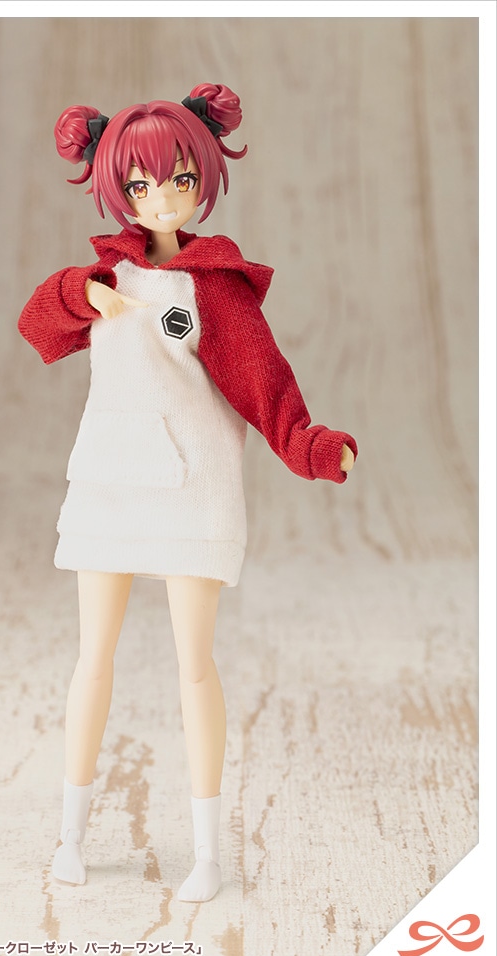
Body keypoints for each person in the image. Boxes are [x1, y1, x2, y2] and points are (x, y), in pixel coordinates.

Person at [18, 83, 357, 902]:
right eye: (139, 184)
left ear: (203, 178)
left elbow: (262, 383)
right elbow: (37, 325)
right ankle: (70, 835)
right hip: (109, 481)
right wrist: (78, 292)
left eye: (178, 179)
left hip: (192, 487)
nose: (161, 197)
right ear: (117, 189)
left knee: (193, 667)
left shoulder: (215, 287)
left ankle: (206, 852)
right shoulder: (108, 273)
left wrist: (308, 445)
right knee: (91, 661)